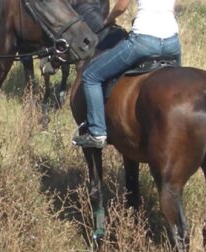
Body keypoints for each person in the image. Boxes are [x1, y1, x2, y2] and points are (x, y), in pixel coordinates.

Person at [73, 0, 181, 148]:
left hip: (143, 42)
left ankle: (97, 132)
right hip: (172, 44)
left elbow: (121, 6)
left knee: (91, 76)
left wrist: (108, 19)